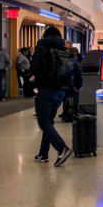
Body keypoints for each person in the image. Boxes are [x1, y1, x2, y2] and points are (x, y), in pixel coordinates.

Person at [30, 26, 81, 166]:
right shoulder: (67, 52)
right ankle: (43, 153)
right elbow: (78, 72)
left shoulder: (41, 49)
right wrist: (75, 87)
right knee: (49, 121)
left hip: (46, 90)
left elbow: (33, 68)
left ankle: (62, 148)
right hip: (61, 92)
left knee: (44, 122)